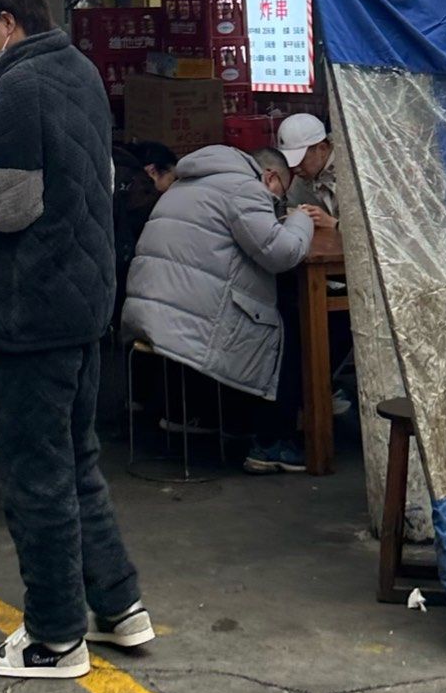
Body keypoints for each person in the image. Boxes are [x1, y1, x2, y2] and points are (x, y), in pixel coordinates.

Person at [0, 0, 154, 679]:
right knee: (77, 461)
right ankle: (119, 607)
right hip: (82, 302)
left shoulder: (19, 86)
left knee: (34, 476)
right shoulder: (78, 72)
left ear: (4, 23)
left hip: (33, 309)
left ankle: (56, 637)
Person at [120, 144, 324, 469]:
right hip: (185, 319)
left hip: (151, 311)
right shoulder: (245, 188)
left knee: (263, 309)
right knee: (291, 326)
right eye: (278, 195)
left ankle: (227, 419)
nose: (275, 203)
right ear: (269, 177)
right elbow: (282, 253)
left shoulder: (189, 182)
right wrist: (300, 219)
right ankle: (272, 442)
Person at [113, 139, 179, 301]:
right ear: (152, 171)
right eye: (171, 180)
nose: (171, 188)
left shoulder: (113, 166)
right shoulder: (143, 195)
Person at [276, 112, 335, 215]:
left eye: (300, 160)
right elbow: (291, 206)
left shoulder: (350, 170)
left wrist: (335, 224)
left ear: (322, 149)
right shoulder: (303, 176)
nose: (295, 168)